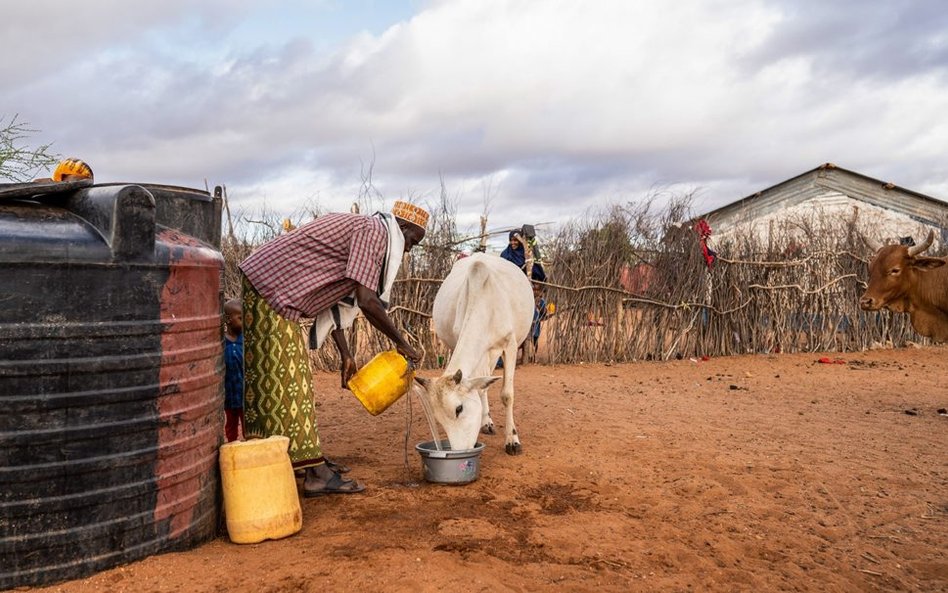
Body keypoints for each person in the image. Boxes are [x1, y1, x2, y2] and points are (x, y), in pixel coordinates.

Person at [238, 201, 427, 497]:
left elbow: (340, 298)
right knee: (290, 382)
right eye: (412, 241)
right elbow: (366, 300)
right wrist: (402, 343)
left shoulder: (371, 232)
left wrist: (346, 354)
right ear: (401, 229)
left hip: (267, 285)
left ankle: (300, 459)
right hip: (270, 287)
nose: (409, 250)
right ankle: (315, 474)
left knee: (281, 381)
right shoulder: (374, 232)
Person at [222, 299, 244, 443]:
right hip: (228, 395)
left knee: (248, 425)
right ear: (228, 320)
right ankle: (232, 450)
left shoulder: (247, 340)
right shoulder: (221, 342)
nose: (244, 322)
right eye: (240, 318)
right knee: (230, 427)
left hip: (244, 395)